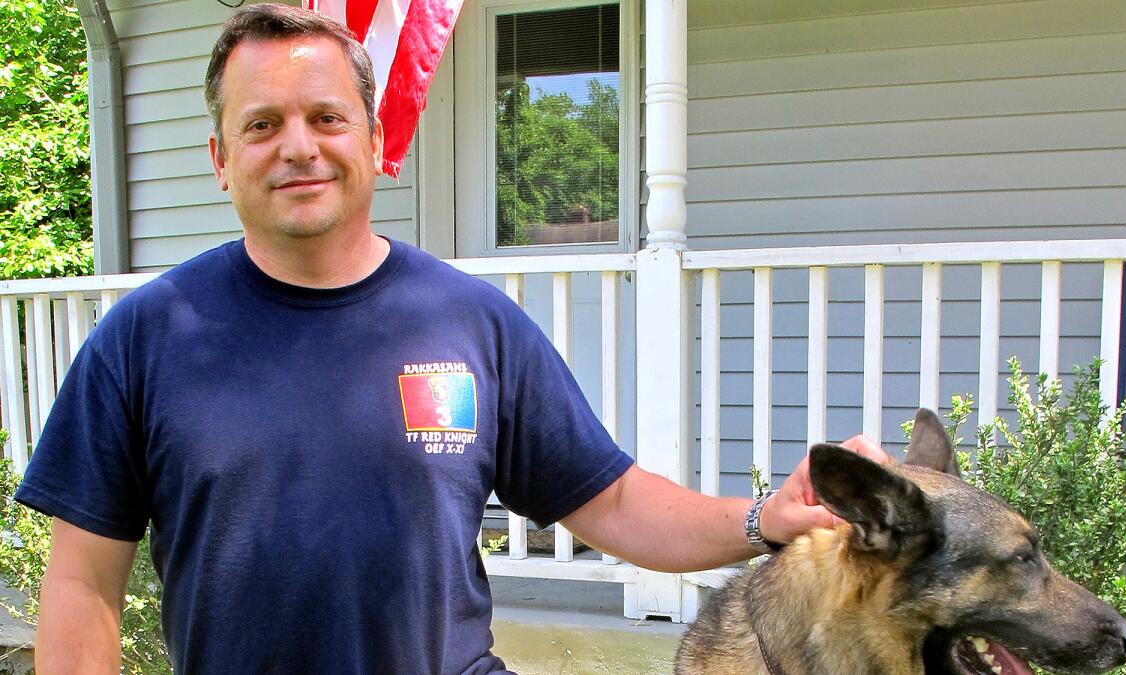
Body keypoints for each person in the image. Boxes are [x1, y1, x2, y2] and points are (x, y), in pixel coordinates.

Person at [16, 5, 888, 674]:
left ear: (376, 138)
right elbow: (83, 580)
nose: (299, 148)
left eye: (326, 118)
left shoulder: (471, 322)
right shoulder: (147, 335)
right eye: (262, 124)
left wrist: (761, 517)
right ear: (219, 158)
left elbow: (613, 502)